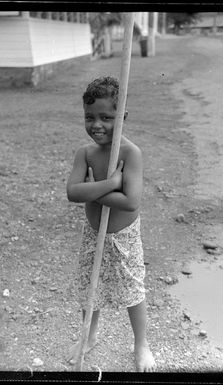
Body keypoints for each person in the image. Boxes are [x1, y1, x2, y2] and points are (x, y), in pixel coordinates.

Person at [66, 76, 156, 372]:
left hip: (124, 236)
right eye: (89, 117)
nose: (97, 125)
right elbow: (72, 193)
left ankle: (141, 344)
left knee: (132, 289)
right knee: (89, 287)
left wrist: (97, 189)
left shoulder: (130, 153)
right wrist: (111, 183)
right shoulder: (86, 153)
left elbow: (131, 201)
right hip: (93, 234)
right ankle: (89, 336)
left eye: (106, 117)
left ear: (123, 117)